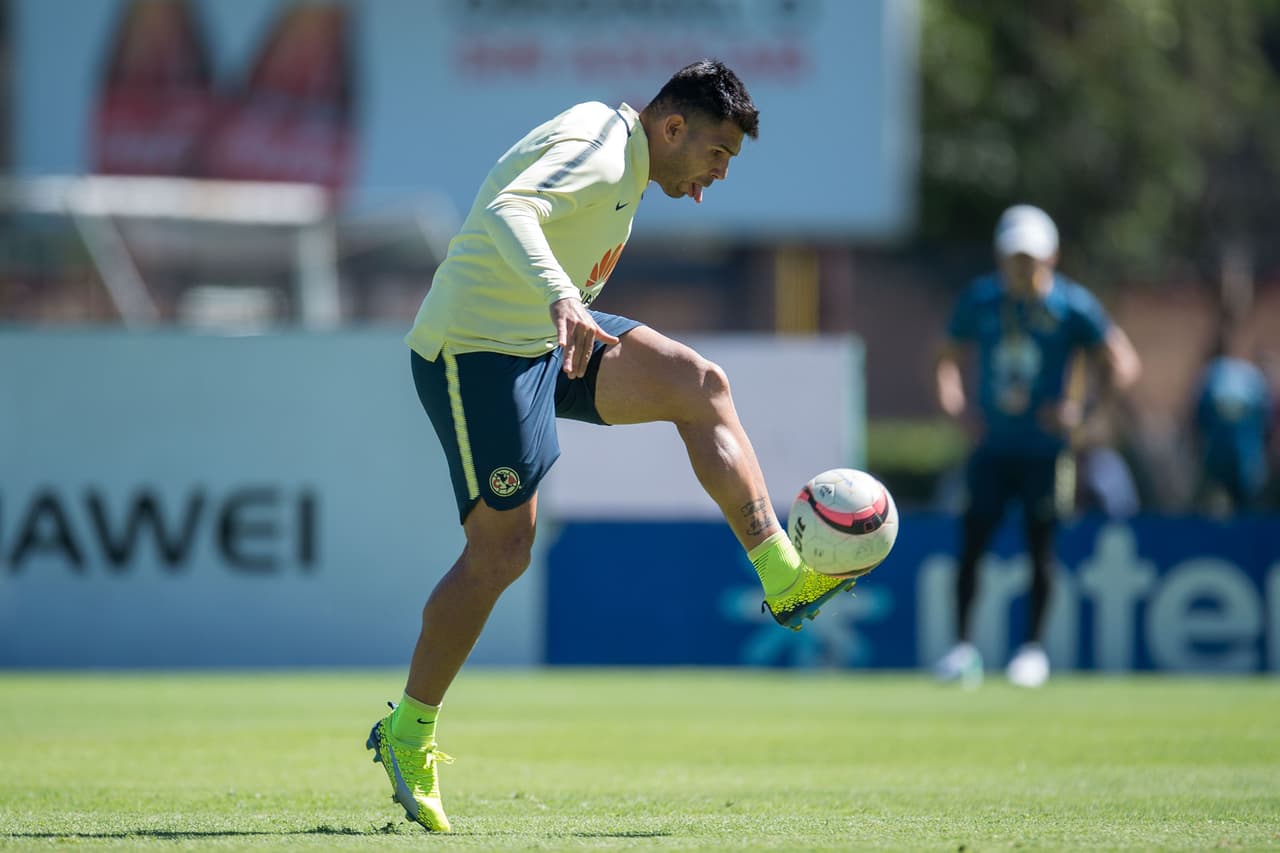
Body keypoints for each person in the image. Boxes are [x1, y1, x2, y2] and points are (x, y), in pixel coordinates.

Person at [366, 59, 858, 833]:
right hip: (476, 354)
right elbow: (506, 210)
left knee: (700, 386)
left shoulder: (627, 159)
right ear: (671, 128)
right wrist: (561, 293)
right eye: (716, 155)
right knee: (503, 552)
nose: (717, 176)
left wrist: (560, 306)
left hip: (548, 340)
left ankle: (783, 575)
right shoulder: (599, 147)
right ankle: (408, 730)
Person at [933, 204, 1141, 688]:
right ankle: (962, 649)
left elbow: (1122, 363)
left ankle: (1033, 650)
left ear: (1051, 257)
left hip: (1045, 453)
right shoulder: (982, 301)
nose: (1021, 267)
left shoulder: (1073, 307)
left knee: (1040, 549)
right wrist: (957, 408)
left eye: (1030, 257)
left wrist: (1086, 415)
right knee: (971, 547)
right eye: (1013, 257)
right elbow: (943, 358)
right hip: (992, 448)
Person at [1191, 317, 1273, 514]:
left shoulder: (1212, 374)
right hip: (1241, 461)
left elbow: (1196, 420)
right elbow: (1267, 424)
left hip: (1223, 462)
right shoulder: (1252, 378)